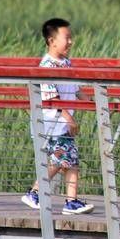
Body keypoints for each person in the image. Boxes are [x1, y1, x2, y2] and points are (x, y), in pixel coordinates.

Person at [21, 18, 94, 215]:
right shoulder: (47, 66)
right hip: (51, 123)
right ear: (52, 40)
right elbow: (53, 98)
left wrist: (94, 102)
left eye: (71, 38)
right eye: (66, 38)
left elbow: (75, 89)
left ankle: (71, 201)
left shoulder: (66, 63)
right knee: (63, 159)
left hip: (62, 124)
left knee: (70, 160)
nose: (70, 42)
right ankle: (35, 192)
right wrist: (69, 117)